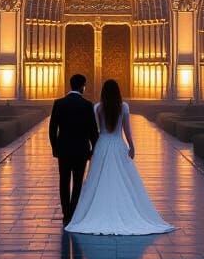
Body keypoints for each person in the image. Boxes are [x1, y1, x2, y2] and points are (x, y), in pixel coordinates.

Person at [64, 78, 174, 236]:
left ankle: (97, 211)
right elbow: (127, 131)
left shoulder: (97, 108)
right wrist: (132, 146)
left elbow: (95, 130)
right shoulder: (123, 107)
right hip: (117, 144)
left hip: (102, 145)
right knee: (121, 178)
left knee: (99, 179)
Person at [49, 73, 100, 226]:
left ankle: (66, 213)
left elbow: (52, 129)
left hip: (64, 150)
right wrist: (93, 151)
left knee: (64, 181)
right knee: (77, 182)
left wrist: (55, 148)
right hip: (81, 151)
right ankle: (73, 211)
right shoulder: (87, 105)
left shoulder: (59, 103)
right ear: (82, 86)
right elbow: (93, 131)